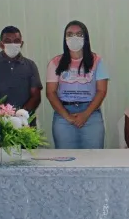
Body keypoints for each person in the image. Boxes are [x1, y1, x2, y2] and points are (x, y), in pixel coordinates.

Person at [45, 21, 109, 149]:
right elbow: (50, 93)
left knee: (94, 157)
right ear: (65, 39)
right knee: (65, 158)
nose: (74, 38)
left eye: (79, 34)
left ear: (86, 38)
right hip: (63, 115)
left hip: (91, 114)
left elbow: (101, 91)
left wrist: (85, 115)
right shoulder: (55, 62)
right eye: (70, 34)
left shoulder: (97, 60)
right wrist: (67, 117)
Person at [0, 26, 42, 116]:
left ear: (21, 44)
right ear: (1, 44)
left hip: (25, 120)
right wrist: (1, 118)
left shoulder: (30, 65)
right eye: (8, 41)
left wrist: (20, 115)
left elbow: (36, 97)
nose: (13, 44)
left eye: (16, 41)